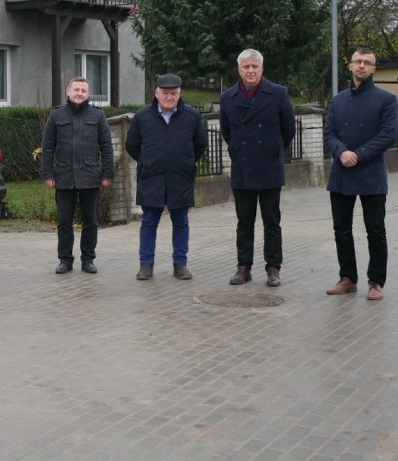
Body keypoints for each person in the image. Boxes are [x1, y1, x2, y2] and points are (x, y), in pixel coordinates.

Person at [324, 48, 398, 301]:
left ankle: (376, 282)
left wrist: (359, 155)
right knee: (341, 230)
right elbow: (329, 133)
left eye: (368, 63)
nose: (362, 66)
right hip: (341, 174)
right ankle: (348, 278)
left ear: (374, 69)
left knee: (375, 230)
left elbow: (388, 135)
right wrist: (341, 152)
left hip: (371, 174)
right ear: (350, 65)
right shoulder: (338, 100)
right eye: (358, 61)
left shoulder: (386, 100)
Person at [220, 49, 296, 287]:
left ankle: (273, 268)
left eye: (254, 66)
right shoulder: (228, 97)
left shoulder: (278, 93)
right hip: (243, 167)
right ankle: (244, 268)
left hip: (269, 168)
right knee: (244, 223)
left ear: (262, 68)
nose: (250, 71)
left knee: (271, 222)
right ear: (239, 70)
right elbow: (226, 131)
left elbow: (288, 129)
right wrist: (238, 151)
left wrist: (273, 151)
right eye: (246, 67)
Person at [126, 74, 207, 281]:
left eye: (174, 93)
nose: (169, 97)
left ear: (180, 94)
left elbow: (200, 145)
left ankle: (180, 264)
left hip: (180, 178)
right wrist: (147, 162)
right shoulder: (143, 116)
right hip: (151, 178)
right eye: (165, 93)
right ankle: (146, 265)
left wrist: (186, 162)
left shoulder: (192, 117)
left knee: (181, 221)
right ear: (156, 93)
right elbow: (132, 146)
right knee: (149, 221)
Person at [41, 77, 114, 274]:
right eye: (76, 89)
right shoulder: (56, 115)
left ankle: (88, 259)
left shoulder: (98, 116)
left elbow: (106, 147)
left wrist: (108, 174)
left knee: (91, 222)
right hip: (64, 177)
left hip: (90, 177)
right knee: (64, 222)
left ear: (88, 94)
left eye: (83, 90)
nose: (79, 93)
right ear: (68, 91)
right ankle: (65, 260)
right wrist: (47, 174)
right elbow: (47, 148)